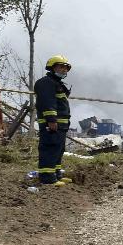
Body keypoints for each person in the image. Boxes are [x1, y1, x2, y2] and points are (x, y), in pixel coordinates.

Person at [34, 55, 73, 186]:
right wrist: (51, 120)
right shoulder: (46, 83)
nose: (64, 70)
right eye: (61, 67)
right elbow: (47, 103)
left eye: (66, 68)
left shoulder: (57, 84)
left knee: (58, 148)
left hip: (60, 125)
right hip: (51, 124)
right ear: (52, 67)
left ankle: (56, 174)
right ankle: (47, 178)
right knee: (50, 148)